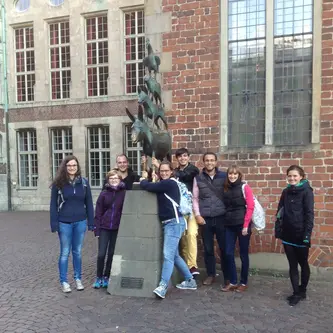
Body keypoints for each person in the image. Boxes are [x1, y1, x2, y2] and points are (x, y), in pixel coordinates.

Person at [140, 161, 197, 299]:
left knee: (167, 255)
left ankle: (163, 286)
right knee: (174, 255)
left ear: (172, 171)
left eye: (166, 170)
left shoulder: (169, 183)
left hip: (174, 223)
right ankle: (190, 280)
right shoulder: (170, 183)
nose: (164, 173)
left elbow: (148, 186)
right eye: (162, 171)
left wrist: (143, 180)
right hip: (172, 223)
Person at [50, 155, 94, 293]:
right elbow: (53, 206)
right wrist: (54, 223)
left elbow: (89, 203)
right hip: (64, 222)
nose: (72, 168)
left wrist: (91, 222)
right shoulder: (59, 184)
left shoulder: (84, 183)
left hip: (80, 222)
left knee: (78, 252)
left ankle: (78, 279)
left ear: (77, 167)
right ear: (65, 167)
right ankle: (64, 281)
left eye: (74, 165)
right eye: (69, 165)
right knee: (64, 253)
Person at [276, 165, 314, 306]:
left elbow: (309, 214)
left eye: (295, 176)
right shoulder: (285, 192)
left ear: (301, 177)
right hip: (288, 234)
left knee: (303, 263)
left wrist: (307, 235)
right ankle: (295, 292)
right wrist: (278, 228)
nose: (292, 178)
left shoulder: (307, 192)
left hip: (301, 234)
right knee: (292, 265)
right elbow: (280, 211)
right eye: (289, 176)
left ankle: (302, 290)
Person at [192, 152, 228, 286]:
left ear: (216, 162)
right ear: (203, 162)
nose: (209, 163)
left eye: (212, 160)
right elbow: (195, 198)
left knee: (224, 248)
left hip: (221, 217)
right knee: (208, 249)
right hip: (205, 218)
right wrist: (197, 214)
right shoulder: (198, 178)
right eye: (207, 160)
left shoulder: (224, 176)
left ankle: (227, 275)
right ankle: (211, 274)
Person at [221, 165, 254, 292]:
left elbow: (250, 207)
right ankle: (233, 281)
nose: (232, 176)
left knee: (243, 254)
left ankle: (243, 282)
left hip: (242, 225)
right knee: (228, 253)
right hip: (229, 225)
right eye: (230, 174)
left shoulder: (244, 187)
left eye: (235, 174)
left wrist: (246, 225)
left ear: (239, 175)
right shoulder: (226, 189)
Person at [93, 170, 126, 289]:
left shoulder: (123, 193)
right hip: (104, 227)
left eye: (116, 178)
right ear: (108, 180)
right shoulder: (104, 194)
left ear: (119, 180)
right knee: (101, 254)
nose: (113, 180)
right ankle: (98, 277)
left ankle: (106, 276)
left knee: (111, 253)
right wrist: (96, 228)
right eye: (111, 178)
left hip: (116, 228)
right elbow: (98, 212)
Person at [173, 148, 200, 276]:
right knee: (183, 237)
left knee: (191, 233)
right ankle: (186, 265)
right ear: (177, 158)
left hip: (192, 208)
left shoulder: (193, 170)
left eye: (185, 156)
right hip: (180, 208)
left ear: (189, 157)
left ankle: (192, 266)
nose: (182, 158)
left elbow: (185, 176)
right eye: (180, 156)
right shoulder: (176, 171)